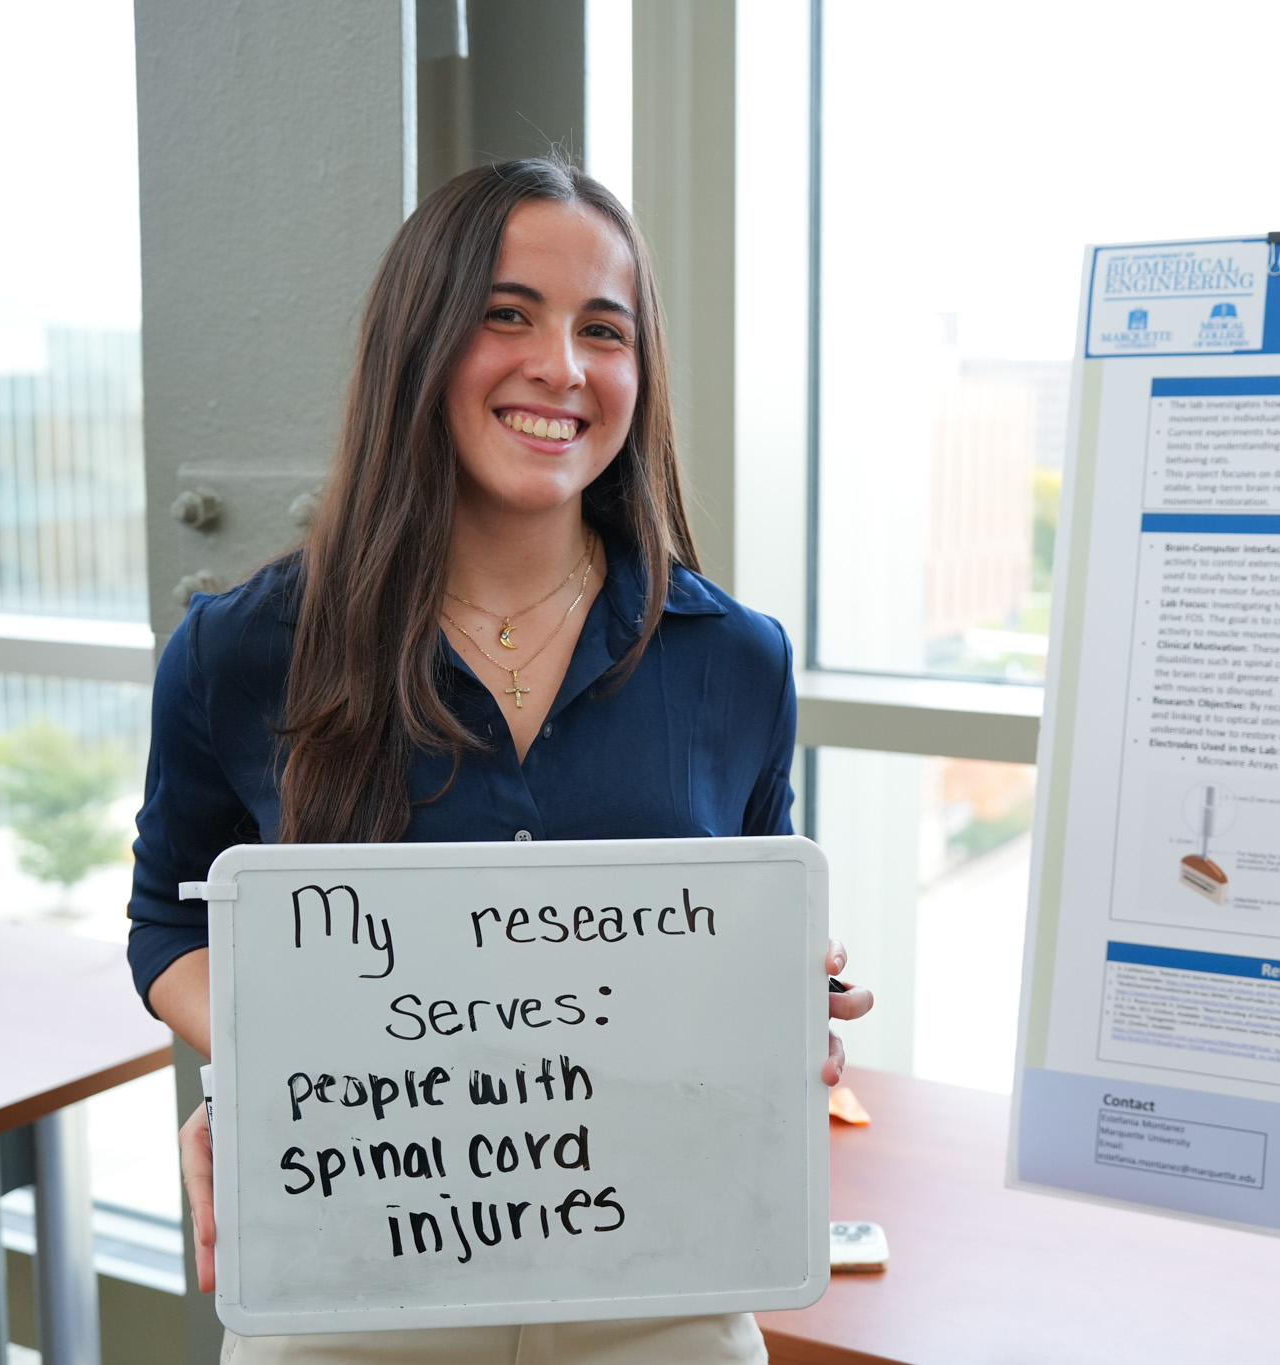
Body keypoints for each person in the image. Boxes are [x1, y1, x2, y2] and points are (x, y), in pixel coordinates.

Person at [126, 156, 875, 1364]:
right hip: (354, 1272)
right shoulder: (241, 650)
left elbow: (731, 935)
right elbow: (169, 923)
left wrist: (782, 1004)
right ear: (417, 343)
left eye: (603, 330)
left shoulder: (737, 660)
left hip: (660, 1285)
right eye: (507, 314)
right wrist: (280, 1059)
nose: (562, 367)